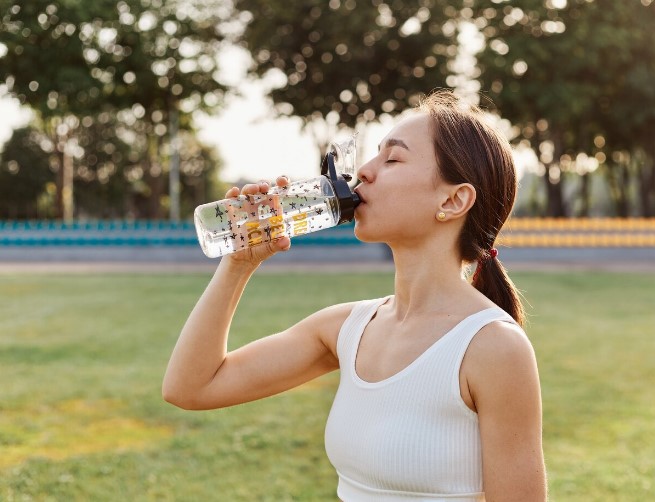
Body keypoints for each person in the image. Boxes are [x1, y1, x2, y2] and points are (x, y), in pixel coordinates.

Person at [163, 89, 546, 501]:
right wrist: (238, 264)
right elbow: (192, 388)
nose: (363, 171)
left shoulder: (494, 349)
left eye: (393, 158)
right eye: (373, 155)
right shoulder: (345, 329)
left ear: (453, 200)